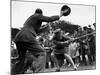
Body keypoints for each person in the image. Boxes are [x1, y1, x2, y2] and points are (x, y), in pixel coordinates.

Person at [11, 8, 65, 75]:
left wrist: (44, 28)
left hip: (19, 37)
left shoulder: (30, 20)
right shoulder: (37, 15)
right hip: (27, 36)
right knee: (42, 53)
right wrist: (60, 15)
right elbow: (49, 19)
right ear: (40, 14)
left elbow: (35, 31)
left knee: (21, 59)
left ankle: (13, 72)